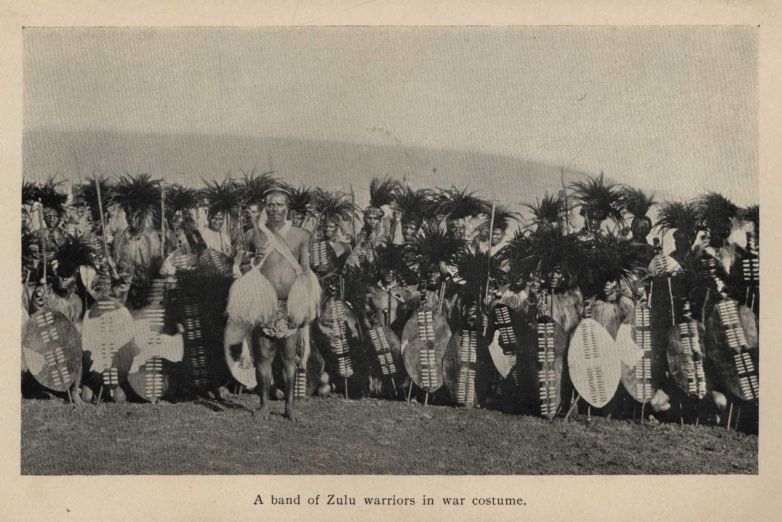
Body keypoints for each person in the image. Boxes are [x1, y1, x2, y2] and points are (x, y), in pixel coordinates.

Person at [224, 186, 321, 421]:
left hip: (291, 304)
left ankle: (289, 407)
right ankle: (264, 404)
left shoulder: (301, 235)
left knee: (290, 358)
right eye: (271, 204)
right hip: (264, 304)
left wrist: (308, 303)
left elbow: (306, 271)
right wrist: (254, 261)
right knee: (263, 357)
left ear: (287, 208)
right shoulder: (252, 234)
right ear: (265, 207)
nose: (275, 208)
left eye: (280, 204)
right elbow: (241, 268)